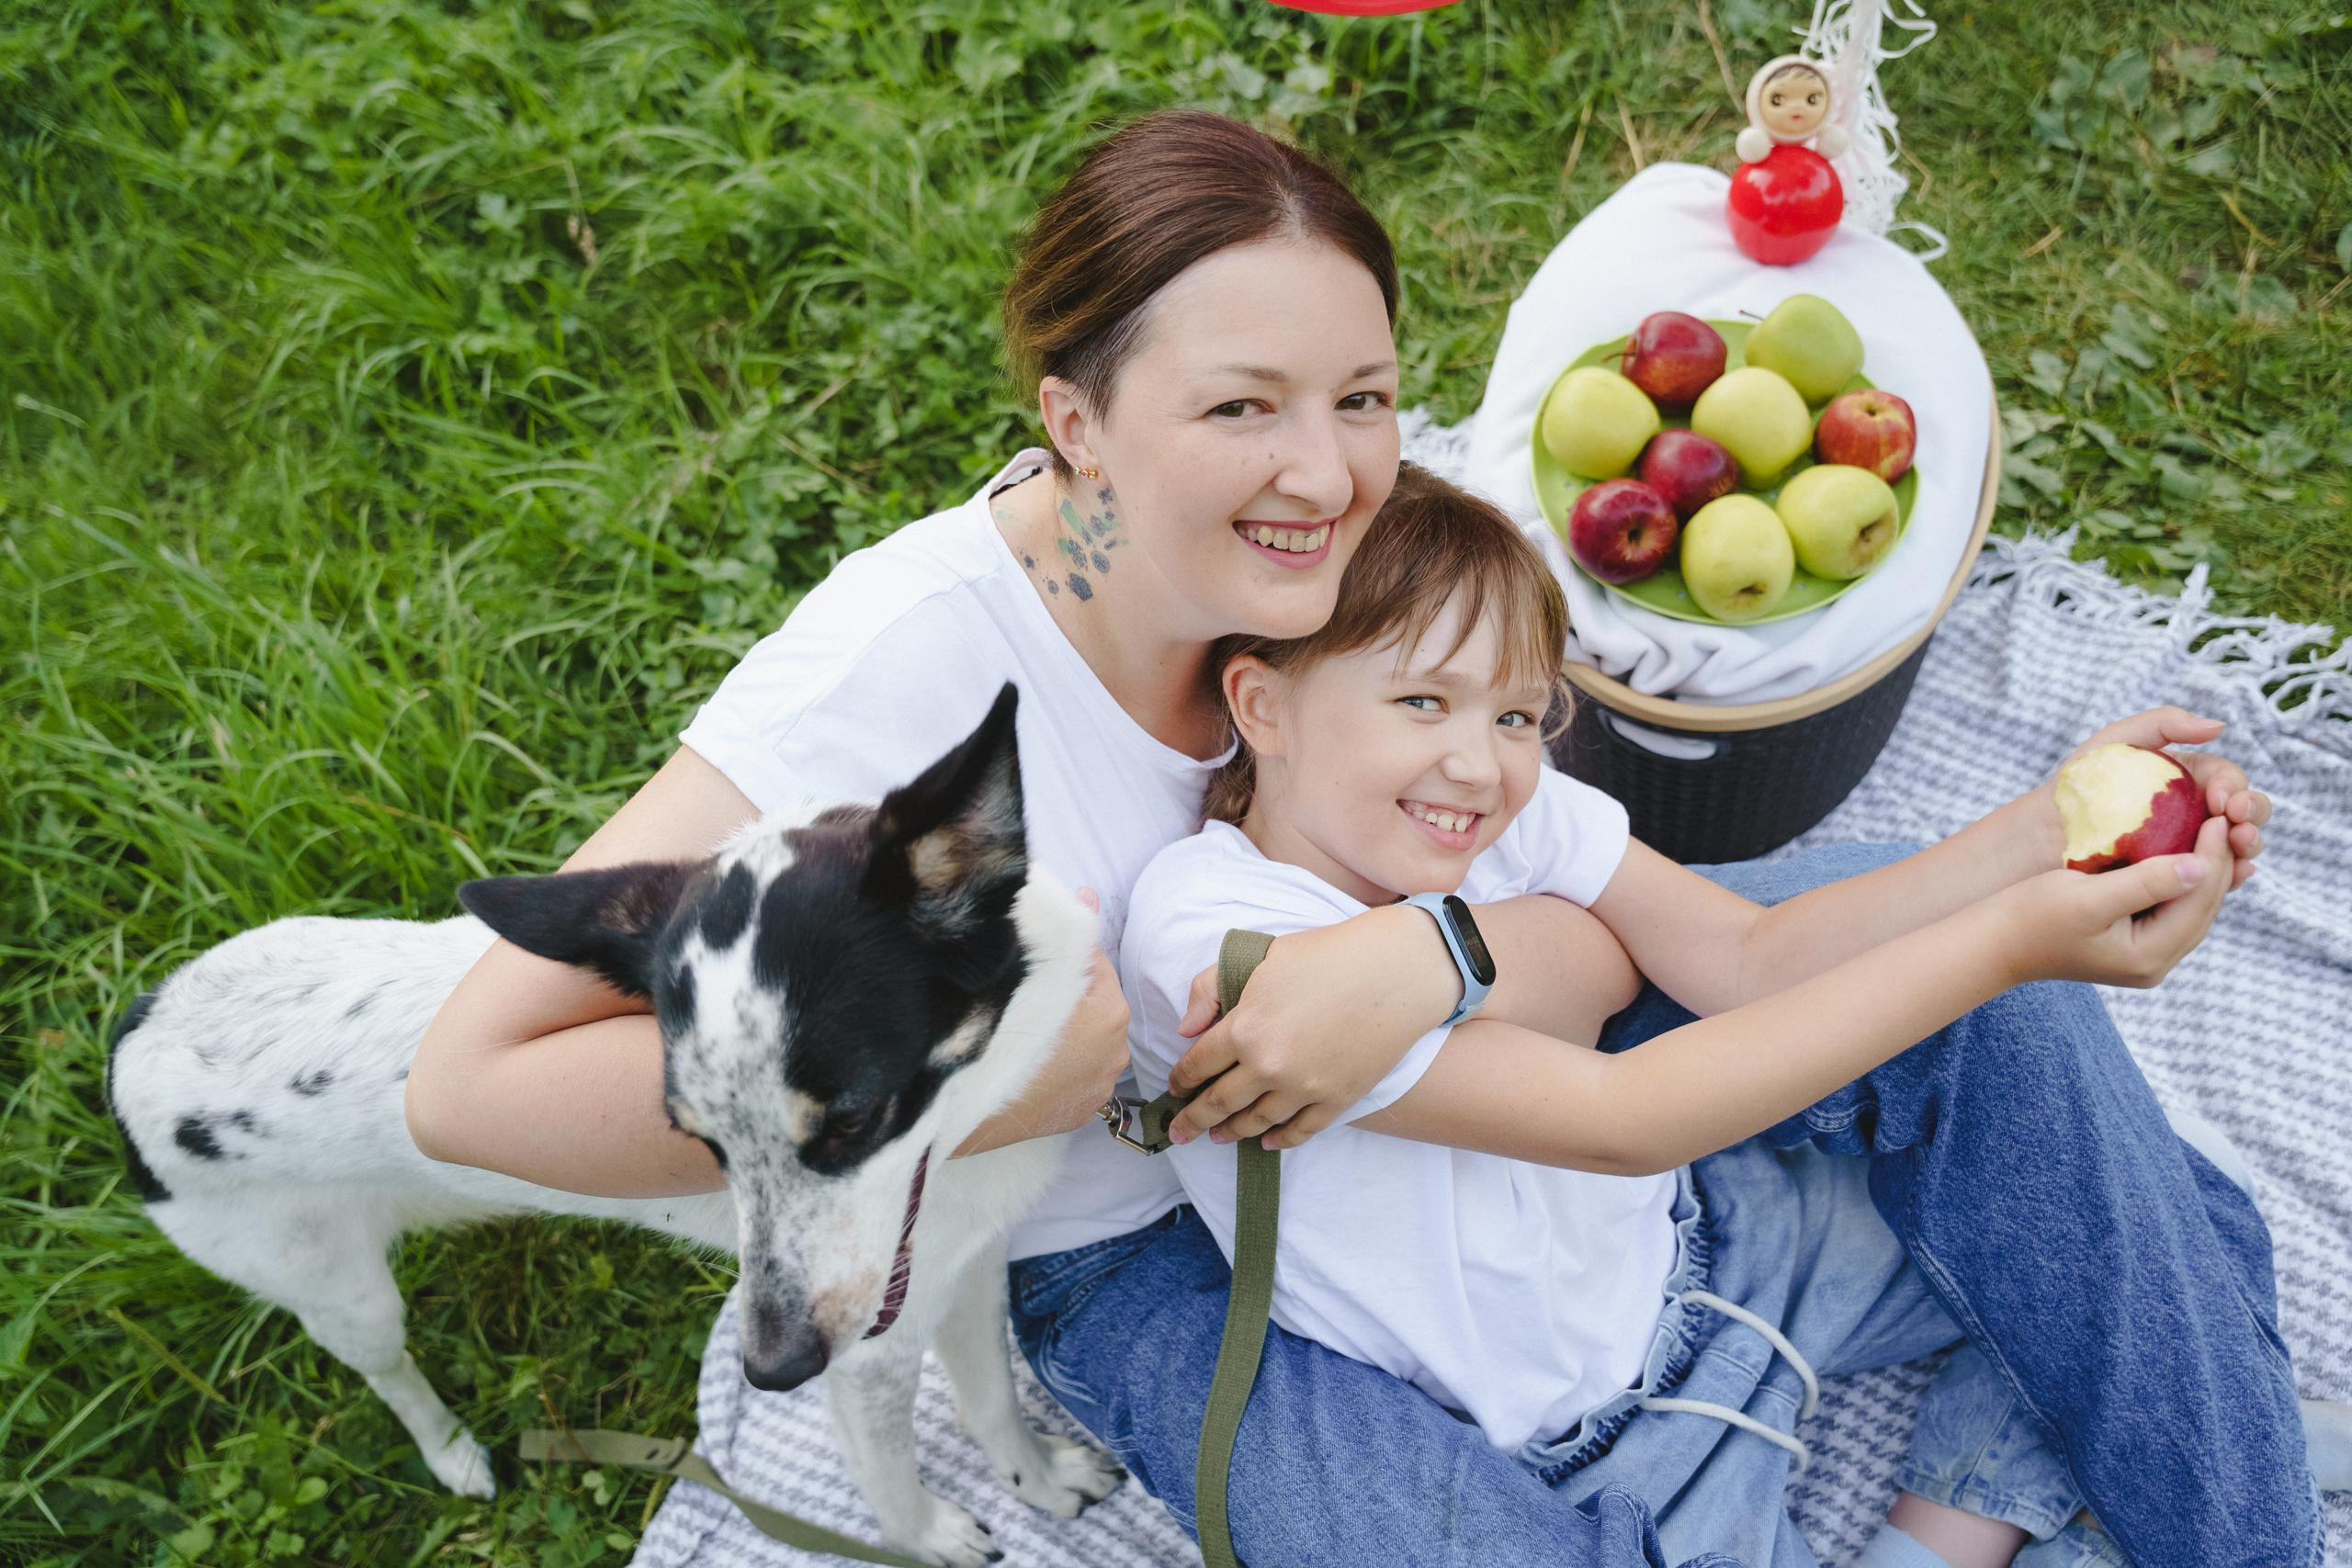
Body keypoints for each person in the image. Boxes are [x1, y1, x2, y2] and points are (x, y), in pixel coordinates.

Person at [400, 108, 2302, 1565]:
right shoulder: (899, 674)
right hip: (1157, 1240)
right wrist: (975, 1073)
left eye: (1366, 397)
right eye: (1240, 407)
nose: (1325, 473)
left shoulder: (1359, 569)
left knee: (2008, 1019)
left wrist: (1428, 955)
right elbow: (468, 1082)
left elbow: (1624, 931)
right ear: (1077, 422)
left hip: (1476, 1057)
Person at [1114, 463, 2310, 1568]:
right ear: (1263, 706)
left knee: (2159, 1195)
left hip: (1724, 1253)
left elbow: (1747, 958)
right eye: (1423, 700)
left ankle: (2188, 1460)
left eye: (1517, 716)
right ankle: (1969, 1523)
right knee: (2121, 1259)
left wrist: (2043, 829)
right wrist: (2005, 944)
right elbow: (1625, 1118)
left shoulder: (1502, 814)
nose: (1480, 764)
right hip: (1619, 1451)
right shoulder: (1219, 937)